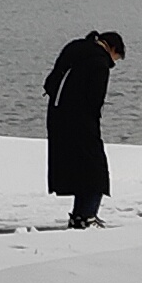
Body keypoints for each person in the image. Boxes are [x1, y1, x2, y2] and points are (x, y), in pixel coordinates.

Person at [43, 28, 124, 228]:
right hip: (81, 121)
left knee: (78, 170)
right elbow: (95, 99)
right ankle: (86, 217)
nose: (113, 63)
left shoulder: (75, 48)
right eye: (116, 58)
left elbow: (52, 81)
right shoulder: (99, 62)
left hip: (57, 117)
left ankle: (79, 216)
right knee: (95, 171)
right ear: (112, 48)